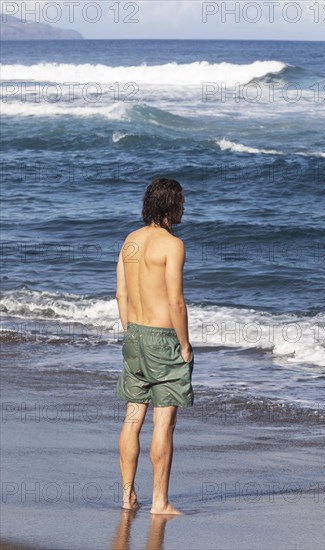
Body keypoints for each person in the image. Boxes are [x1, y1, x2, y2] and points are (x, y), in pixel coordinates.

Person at [115, 177, 194, 515]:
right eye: (181, 203)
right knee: (164, 423)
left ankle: (127, 495)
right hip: (163, 340)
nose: (184, 208)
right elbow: (176, 302)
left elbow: (121, 294)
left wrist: (131, 331)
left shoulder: (130, 240)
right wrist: (185, 345)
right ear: (171, 206)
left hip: (134, 334)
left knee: (133, 418)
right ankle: (159, 502)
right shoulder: (172, 245)